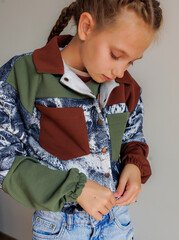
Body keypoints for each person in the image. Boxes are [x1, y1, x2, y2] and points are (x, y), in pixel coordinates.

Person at [0, 0, 163, 239]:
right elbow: (4, 159)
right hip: (60, 227)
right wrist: (75, 189)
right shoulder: (22, 75)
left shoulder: (125, 85)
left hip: (117, 220)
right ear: (86, 27)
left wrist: (134, 166)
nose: (121, 71)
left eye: (130, 61)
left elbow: (132, 135)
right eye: (116, 55)